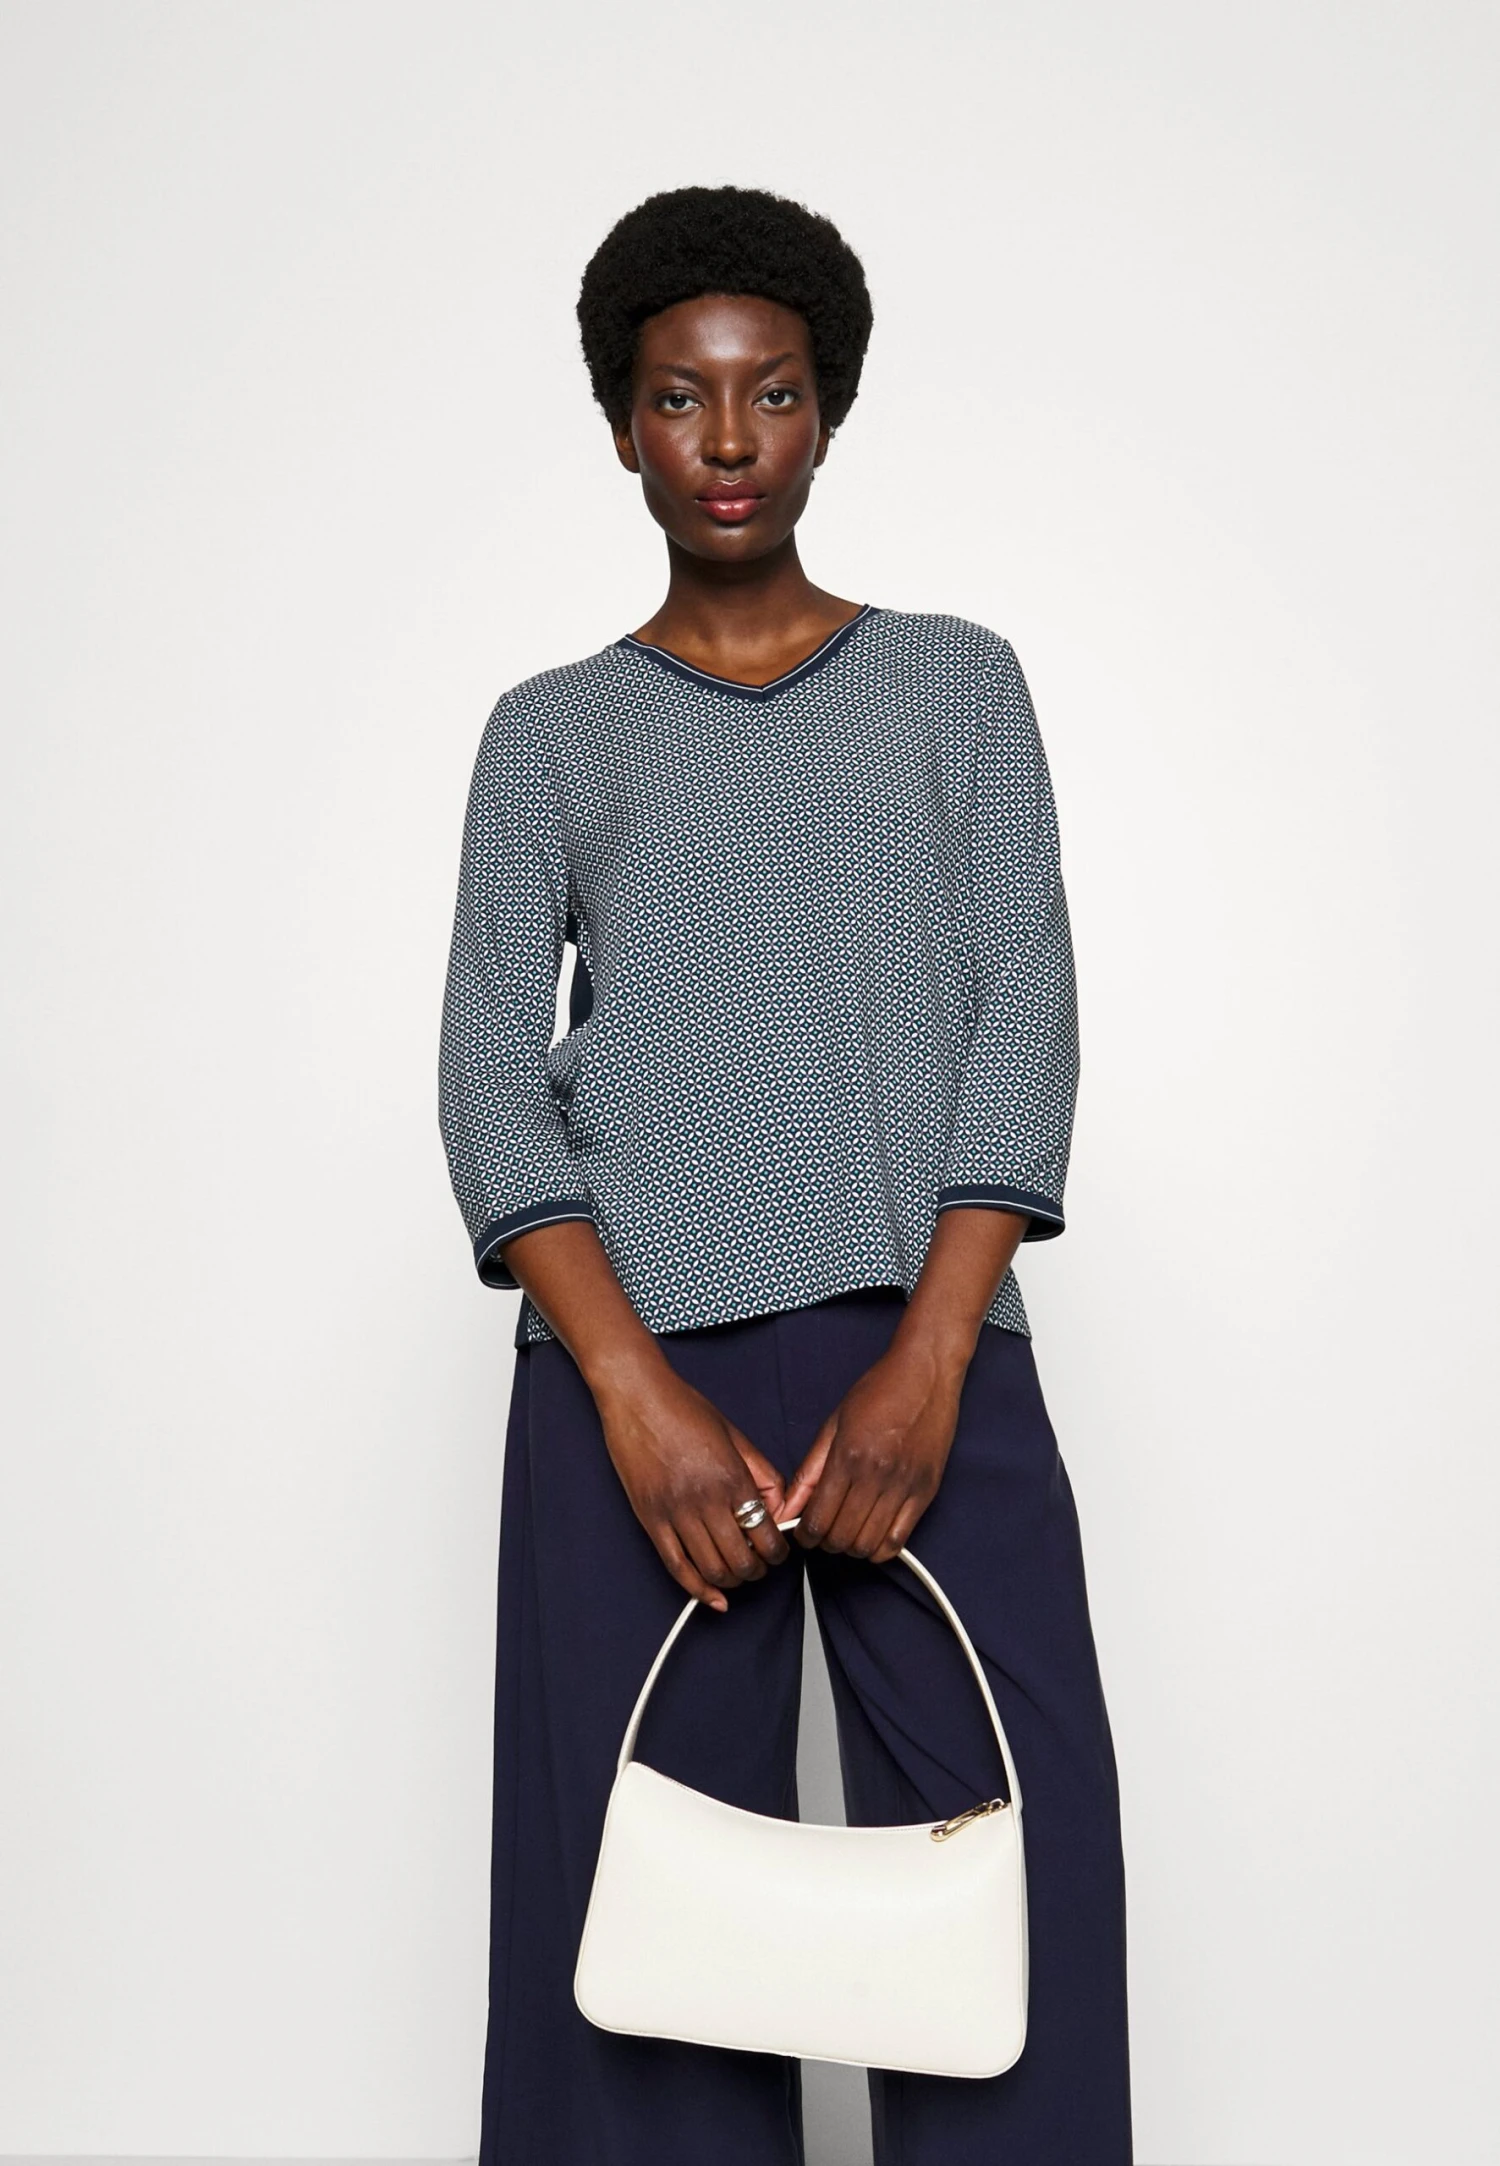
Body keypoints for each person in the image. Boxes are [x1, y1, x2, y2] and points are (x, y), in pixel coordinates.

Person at [438, 183, 1132, 2166]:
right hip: (636, 1387)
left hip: (928, 1356)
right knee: (631, 1920)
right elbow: (488, 1079)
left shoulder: (956, 684)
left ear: (829, 412)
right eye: (680, 396)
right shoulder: (549, 736)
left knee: (1010, 1885)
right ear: (622, 425)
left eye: (771, 392)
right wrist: (632, 1397)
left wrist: (934, 1358)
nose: (728, 439)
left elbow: (1025, 1009)